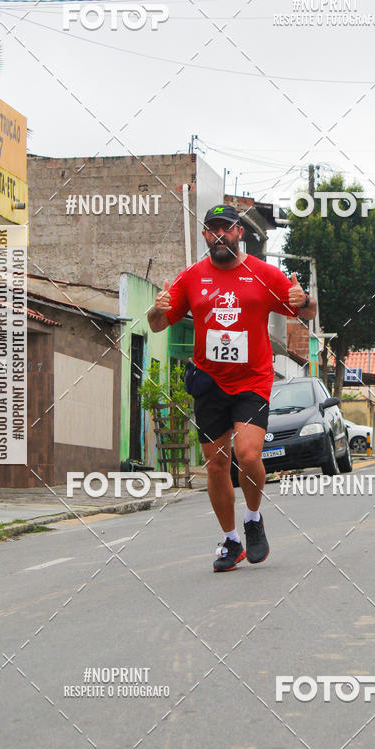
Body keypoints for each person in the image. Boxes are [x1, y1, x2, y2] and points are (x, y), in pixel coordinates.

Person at [147, 204, 317, 572]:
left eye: (228, 228)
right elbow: (158, 324)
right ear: (206, 235)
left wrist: (304, 301)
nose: (220, 234)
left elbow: (306, 312)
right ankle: (231, 541)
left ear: (240, 233)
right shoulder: (191, 277)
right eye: (213, 229)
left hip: (253, 379)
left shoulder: (264, 274)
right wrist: (156, 308)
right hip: (210, 383)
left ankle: (254, 519)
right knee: (215, 466)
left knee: (249, 454)